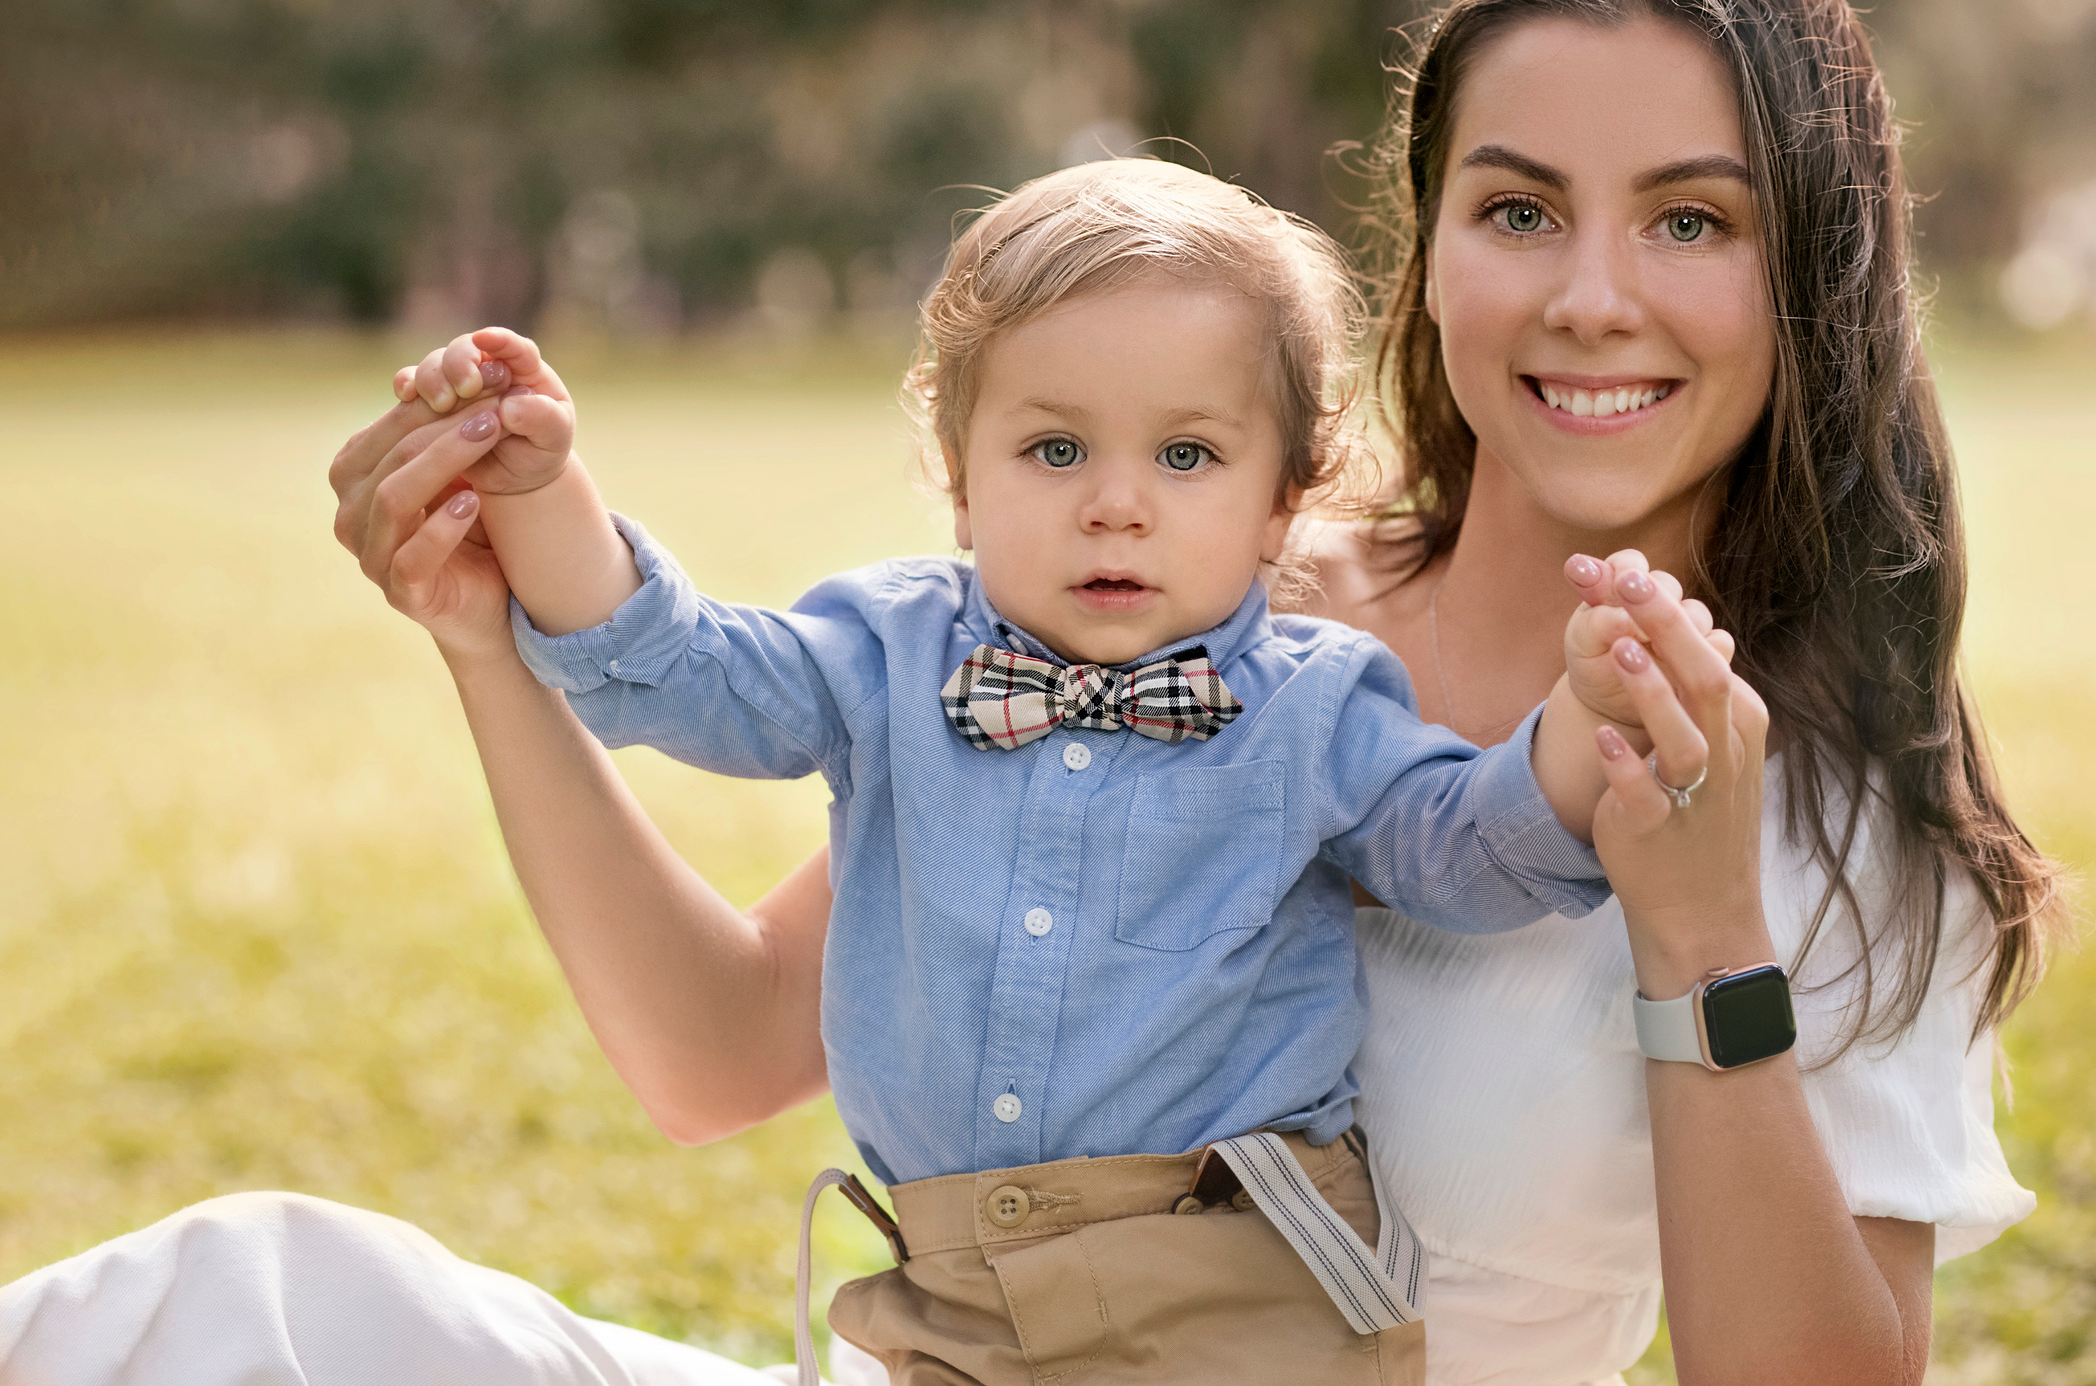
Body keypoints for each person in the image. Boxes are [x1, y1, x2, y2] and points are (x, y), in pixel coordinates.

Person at [0, 159, 1763, 1386]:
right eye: (1054, 446)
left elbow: (1462, 852)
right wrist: (537, 501)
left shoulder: (1314, 706)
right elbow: (681, 676)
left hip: (1229, 1311)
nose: (1116, 501)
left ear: (1286, 492)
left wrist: (1568, 731)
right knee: (239, 1296)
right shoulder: (897, 657)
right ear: (958, 465)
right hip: (951, 1315)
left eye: (1187, 454)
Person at [1314, 0, 2067, 1386]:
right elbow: (730, 1040)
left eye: (1691, 221)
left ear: (1811, 280)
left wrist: (1704, 929)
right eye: (1520, 212)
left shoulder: (1848, 829)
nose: (1594, 298)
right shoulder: (1224, 612)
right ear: (1433, 244)